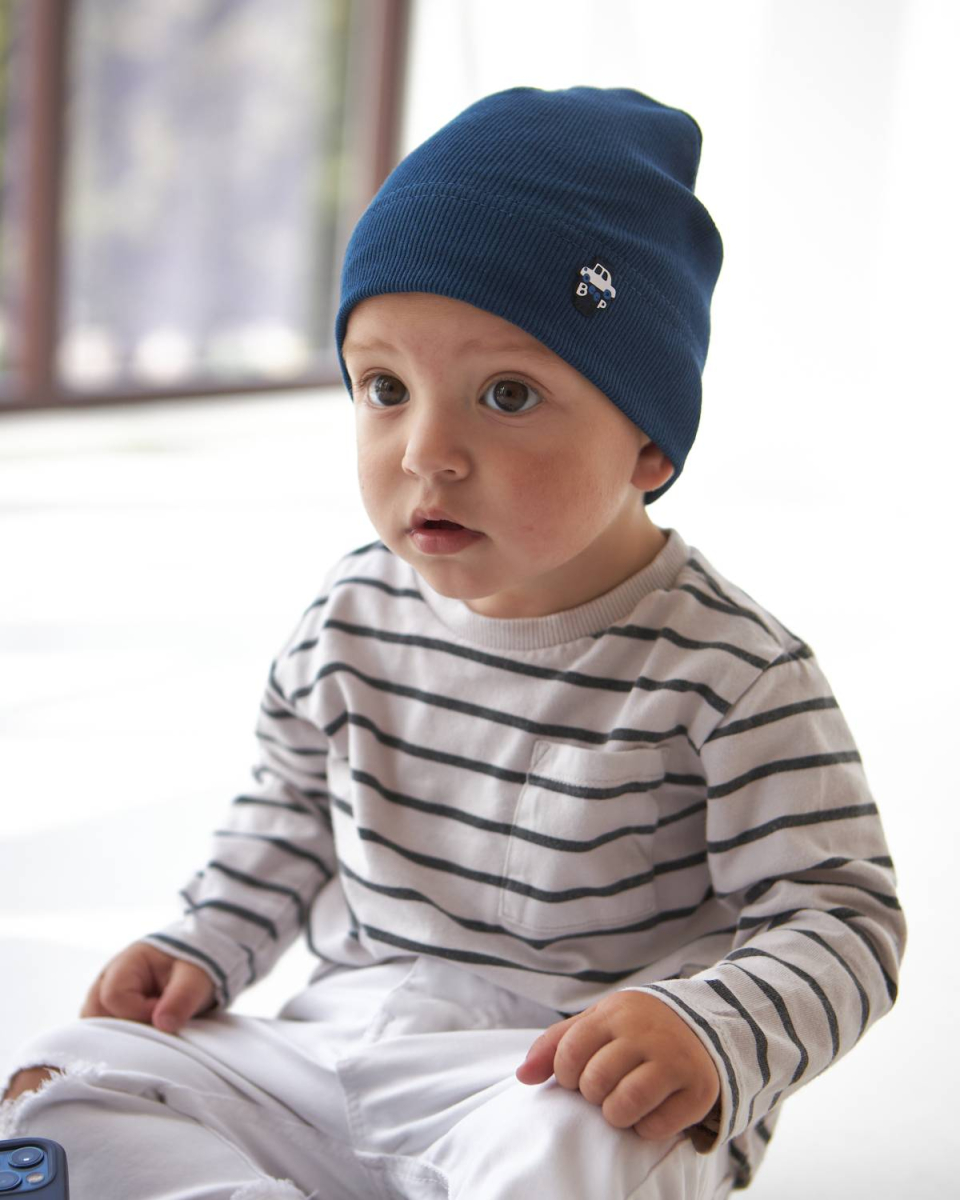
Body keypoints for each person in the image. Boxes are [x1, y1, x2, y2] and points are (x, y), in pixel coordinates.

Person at [1, 86, 905, 1200]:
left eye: (508, 394)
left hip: (563, 1077)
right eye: (385, 388)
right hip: (341, 1047)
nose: (427, 451)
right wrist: (202, 944)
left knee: (587, 1153)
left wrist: (704, 1028)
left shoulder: (735, 672)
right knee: (58, 1080)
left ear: (650, 442)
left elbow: (843, 917)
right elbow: (290, 812)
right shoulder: (353, 613)